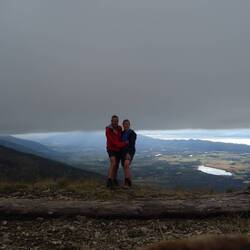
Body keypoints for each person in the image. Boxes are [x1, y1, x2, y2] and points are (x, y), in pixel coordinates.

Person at [106, 115, 129, 189]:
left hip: (118, 150)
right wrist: (125, 143)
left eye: (116, 121)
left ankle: (114, 180)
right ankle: (109, 181)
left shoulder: (119, 128)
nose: (115, 122)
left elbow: (120, 138)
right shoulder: (108, 130)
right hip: (111, 149)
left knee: (116, 166)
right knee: (113, 162)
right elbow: (114, 143)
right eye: (114, 121)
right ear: (111, 121)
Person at [121, 119, 137, 188]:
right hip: (122, 151)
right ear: (123, 125)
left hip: (129, 151)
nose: (126, 125)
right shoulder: (121, 133)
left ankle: (126, 182)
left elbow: (131, 144)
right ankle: (129, 181)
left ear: (129, 125)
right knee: (125, 167)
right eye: (124, 124)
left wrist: (128, 153)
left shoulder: (132, 133)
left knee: (126, 164)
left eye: (127, 124)